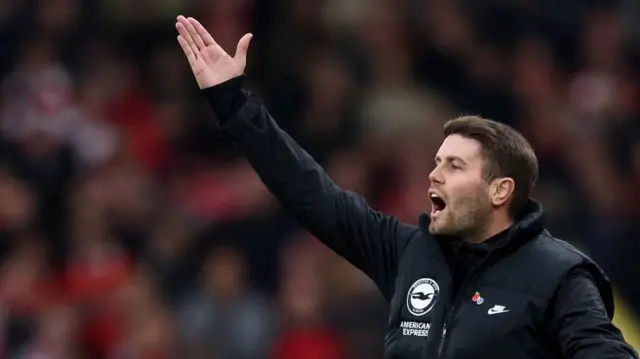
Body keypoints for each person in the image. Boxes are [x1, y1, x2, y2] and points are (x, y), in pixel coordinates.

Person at [173, 15, 639, 359]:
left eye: (454, 166)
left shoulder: (559, 274)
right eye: (436, 163)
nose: (434, 175)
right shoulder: (407, 253)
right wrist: (232, 102)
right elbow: (309, 193)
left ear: (500, 191)